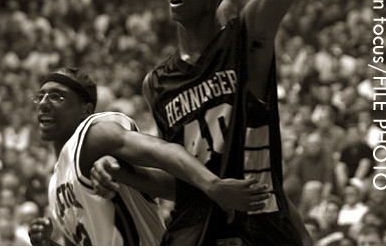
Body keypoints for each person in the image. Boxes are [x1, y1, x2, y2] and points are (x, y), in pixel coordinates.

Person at [92, 0, 319, 245]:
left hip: (256, 225)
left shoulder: (246, 37)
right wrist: (121, 171)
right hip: (194, 232)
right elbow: (183, 178)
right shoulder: (156, 83)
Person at [28, 67, 269, 246]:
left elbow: (162, 150)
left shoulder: (92, 133)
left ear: (86, 111)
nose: (44, 104)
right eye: (40, 96)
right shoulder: (54, 185)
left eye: (57, 96)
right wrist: (49, 244)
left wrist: (213, 185)